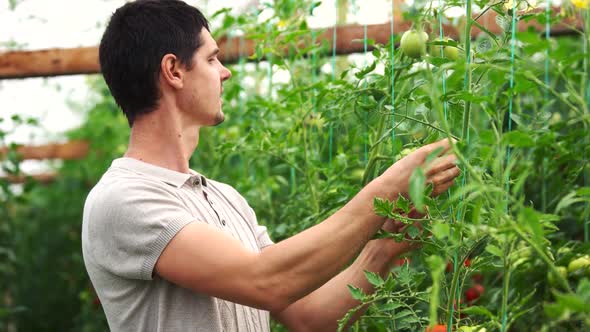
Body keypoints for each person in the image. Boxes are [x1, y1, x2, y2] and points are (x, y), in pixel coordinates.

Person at [81, 0, 461, 331]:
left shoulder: (225, 198)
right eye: (211, 59)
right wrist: (386, 188)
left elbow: (309, 317)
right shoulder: (123, 199)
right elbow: (267, 281)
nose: (225, 72)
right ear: (174, 71)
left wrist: (384, 248)